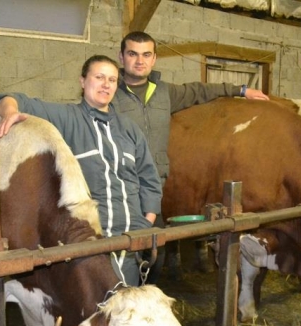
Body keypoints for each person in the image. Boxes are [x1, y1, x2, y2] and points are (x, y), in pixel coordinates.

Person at [113, 31, 270, 284]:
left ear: (154, 59)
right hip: (118, 190)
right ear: (121, 57)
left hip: (152, 192)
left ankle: (141, 306)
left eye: (146, 54)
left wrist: (241, 90)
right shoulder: (110, 93)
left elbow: (200, 91)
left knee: (156, 255)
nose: (139, 61)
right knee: (119, 255)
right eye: (132, 54)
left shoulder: (163, 92)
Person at [0, 55, 162, 287]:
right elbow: (9, 98)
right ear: (83, 81)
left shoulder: (129, 129)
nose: (106, 84)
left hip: (133, 238)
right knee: (99, 304)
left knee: (129, 306)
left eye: (112, 80)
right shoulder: (66, 118)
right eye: (99, 77)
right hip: (92, 240)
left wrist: (146, 221)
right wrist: (9, 111)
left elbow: (149, 179)